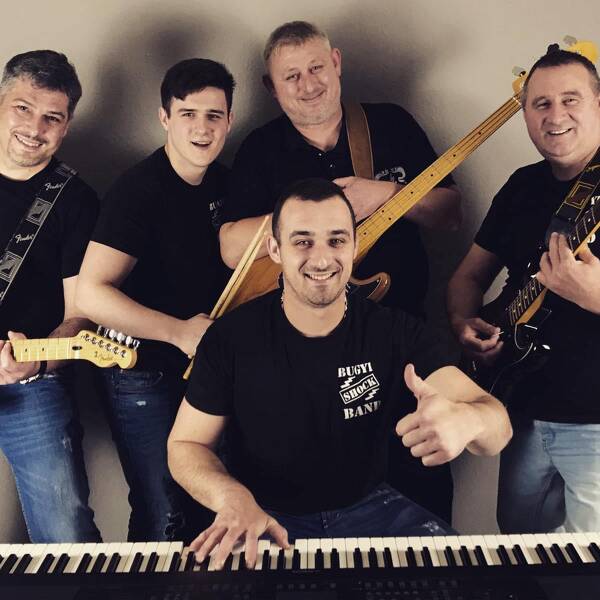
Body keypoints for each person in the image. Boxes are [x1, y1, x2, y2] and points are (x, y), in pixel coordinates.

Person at [168, 178, 512, 568]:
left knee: (468, 583)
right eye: (302, 241)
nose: (321, 259)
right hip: (261, 514)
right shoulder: (230, 338)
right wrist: (231, 498)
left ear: (354, 245)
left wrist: (468, 420)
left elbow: (497, 427)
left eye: (336, 240)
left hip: (372, 509)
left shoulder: (395, 331)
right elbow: (185, 445)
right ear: (274, 249)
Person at [218, 20, 461, 522]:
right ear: (271, 87)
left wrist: (388, 195)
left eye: (316, 68)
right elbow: (230, 247)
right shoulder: (262, 148)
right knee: (321, 501)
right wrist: (313, 216)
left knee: (421, 491)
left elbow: (450, 213)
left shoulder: (391, 124)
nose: (308, 85)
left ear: (336, 63)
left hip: (402, 344)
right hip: (306, 357)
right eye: (291, 76)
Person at [75, 58, 234, 541]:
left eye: (214, 115)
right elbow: (91, 294)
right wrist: (180, 332)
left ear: (229, 121)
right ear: (165, 117)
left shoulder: (226, 184)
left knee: (207, 505)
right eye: (188, 114)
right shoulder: (138, 191)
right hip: (139, 372)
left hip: (202, 370)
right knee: (162, 511)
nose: (202, 128)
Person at [447, 49, 600, 533]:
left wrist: (593, 296)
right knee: (519, 551)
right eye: (541, 104)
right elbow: (467, 278)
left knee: (588, 564)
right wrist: (462, 323)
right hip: (520, 411)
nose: (555, 116)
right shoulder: (521, 186)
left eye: (571, 99)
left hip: (596, 426)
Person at [0, 50, 100, 542]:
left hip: (30, 382)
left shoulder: (76, 202)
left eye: (52, 118)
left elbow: (80, 319)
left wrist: (34, 363)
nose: (34, 128)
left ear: (66, 126)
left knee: (67, 533)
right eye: (23, 108)